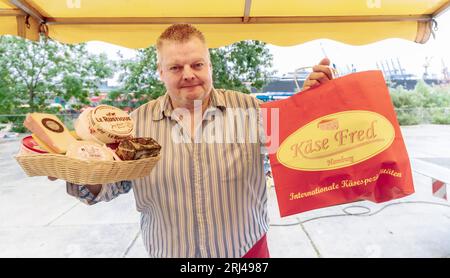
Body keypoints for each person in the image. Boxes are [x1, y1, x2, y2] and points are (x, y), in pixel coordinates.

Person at [51, 23, 333, 258]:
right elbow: (112, 186)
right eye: (175, 67)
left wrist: (312, 102)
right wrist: (81, 171)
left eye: (197, 64)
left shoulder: (252, 111)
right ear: (160, 72)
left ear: (210, 66)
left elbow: (300, 151)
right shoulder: (134, 125)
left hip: (246, 252)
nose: (188, 74)